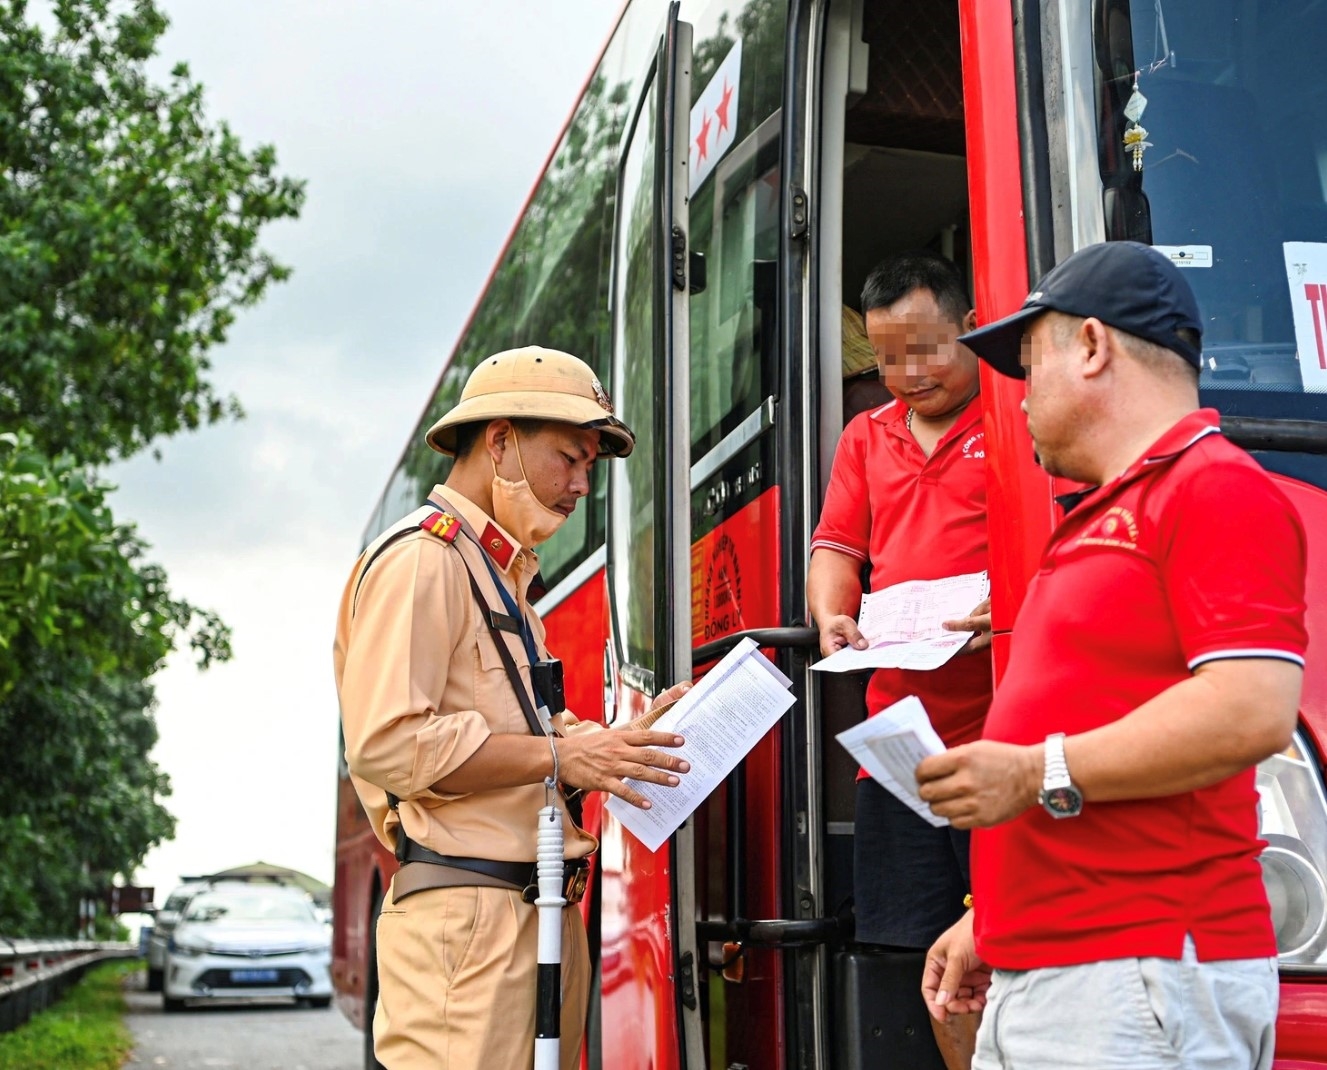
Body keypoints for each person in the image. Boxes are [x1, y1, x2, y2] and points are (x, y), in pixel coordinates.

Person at [917, 241, 1306, 1070]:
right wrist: (993, 916)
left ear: (1091, 346)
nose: (1014, 401)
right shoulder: (1111, 508)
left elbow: (1250, 707)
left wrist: (1028, 775)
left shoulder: (1212, 485)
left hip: (1139, 974)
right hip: (1080, 975)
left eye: (1028, 365)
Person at [333, 346, 691, 1070]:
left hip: (523, 917)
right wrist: (564, 755)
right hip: (468, 929)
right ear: (498, 441)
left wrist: (610, 745)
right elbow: (390, 744)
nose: (581, 485)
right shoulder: (423, 559)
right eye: (569, 458)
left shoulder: (494, 572)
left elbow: (517, 733)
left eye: (590, 465)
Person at [807, 251, 993, 1070]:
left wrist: (1011, 607)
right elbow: (836, 543)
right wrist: (831, 613)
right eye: (884, 357)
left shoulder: (1015, 414)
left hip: (1001, 733)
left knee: (1003, 942)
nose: (904, 374)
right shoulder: (865, 435)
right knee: (909, 949)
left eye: (924, 350)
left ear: (972, 327)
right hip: (899, 745)